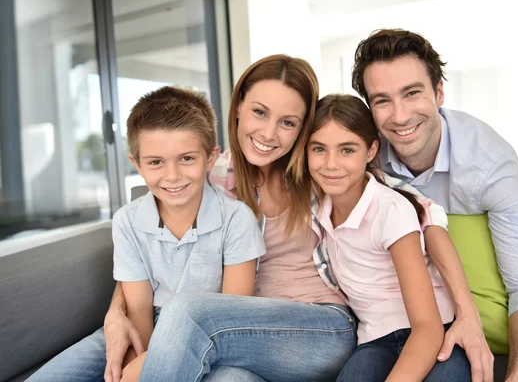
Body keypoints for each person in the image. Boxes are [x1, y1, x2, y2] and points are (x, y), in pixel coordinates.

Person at [115, 54, 358, 382]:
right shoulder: (204, 175)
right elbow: (144, 246)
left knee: (188, 312)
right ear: (239, 107)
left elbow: (403, 203)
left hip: (318, 329)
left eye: (288, 122)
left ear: (302, 128)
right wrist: (115, 313)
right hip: (237, 332)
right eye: (259, 112)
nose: (269, 133)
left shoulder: (323, 172)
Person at [351, 28, 518, 382]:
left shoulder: (493, 166)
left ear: (439, 91)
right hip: (384, 326)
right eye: (382, 100)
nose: (399, 117)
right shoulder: (362, 154)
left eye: (412, 93)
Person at [25, 86, 266, 382]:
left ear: (211, 156)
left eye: (187, 158)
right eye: (155, 162)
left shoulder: (236, 218)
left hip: (212, 336)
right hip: (144, 326)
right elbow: (138, 309)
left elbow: (231, 316)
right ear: (136, 164)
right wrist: (139, 362)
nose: (172, 175)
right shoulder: (127, 220)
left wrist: (159, 366)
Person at [307, 94, 471, 381]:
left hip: (435, 332)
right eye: (319, 149)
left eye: (347, 150)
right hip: (376, 340)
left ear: (371, 151)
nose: (331, 164)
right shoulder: (318, 206)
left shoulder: (391, 210)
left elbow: (427, 327)